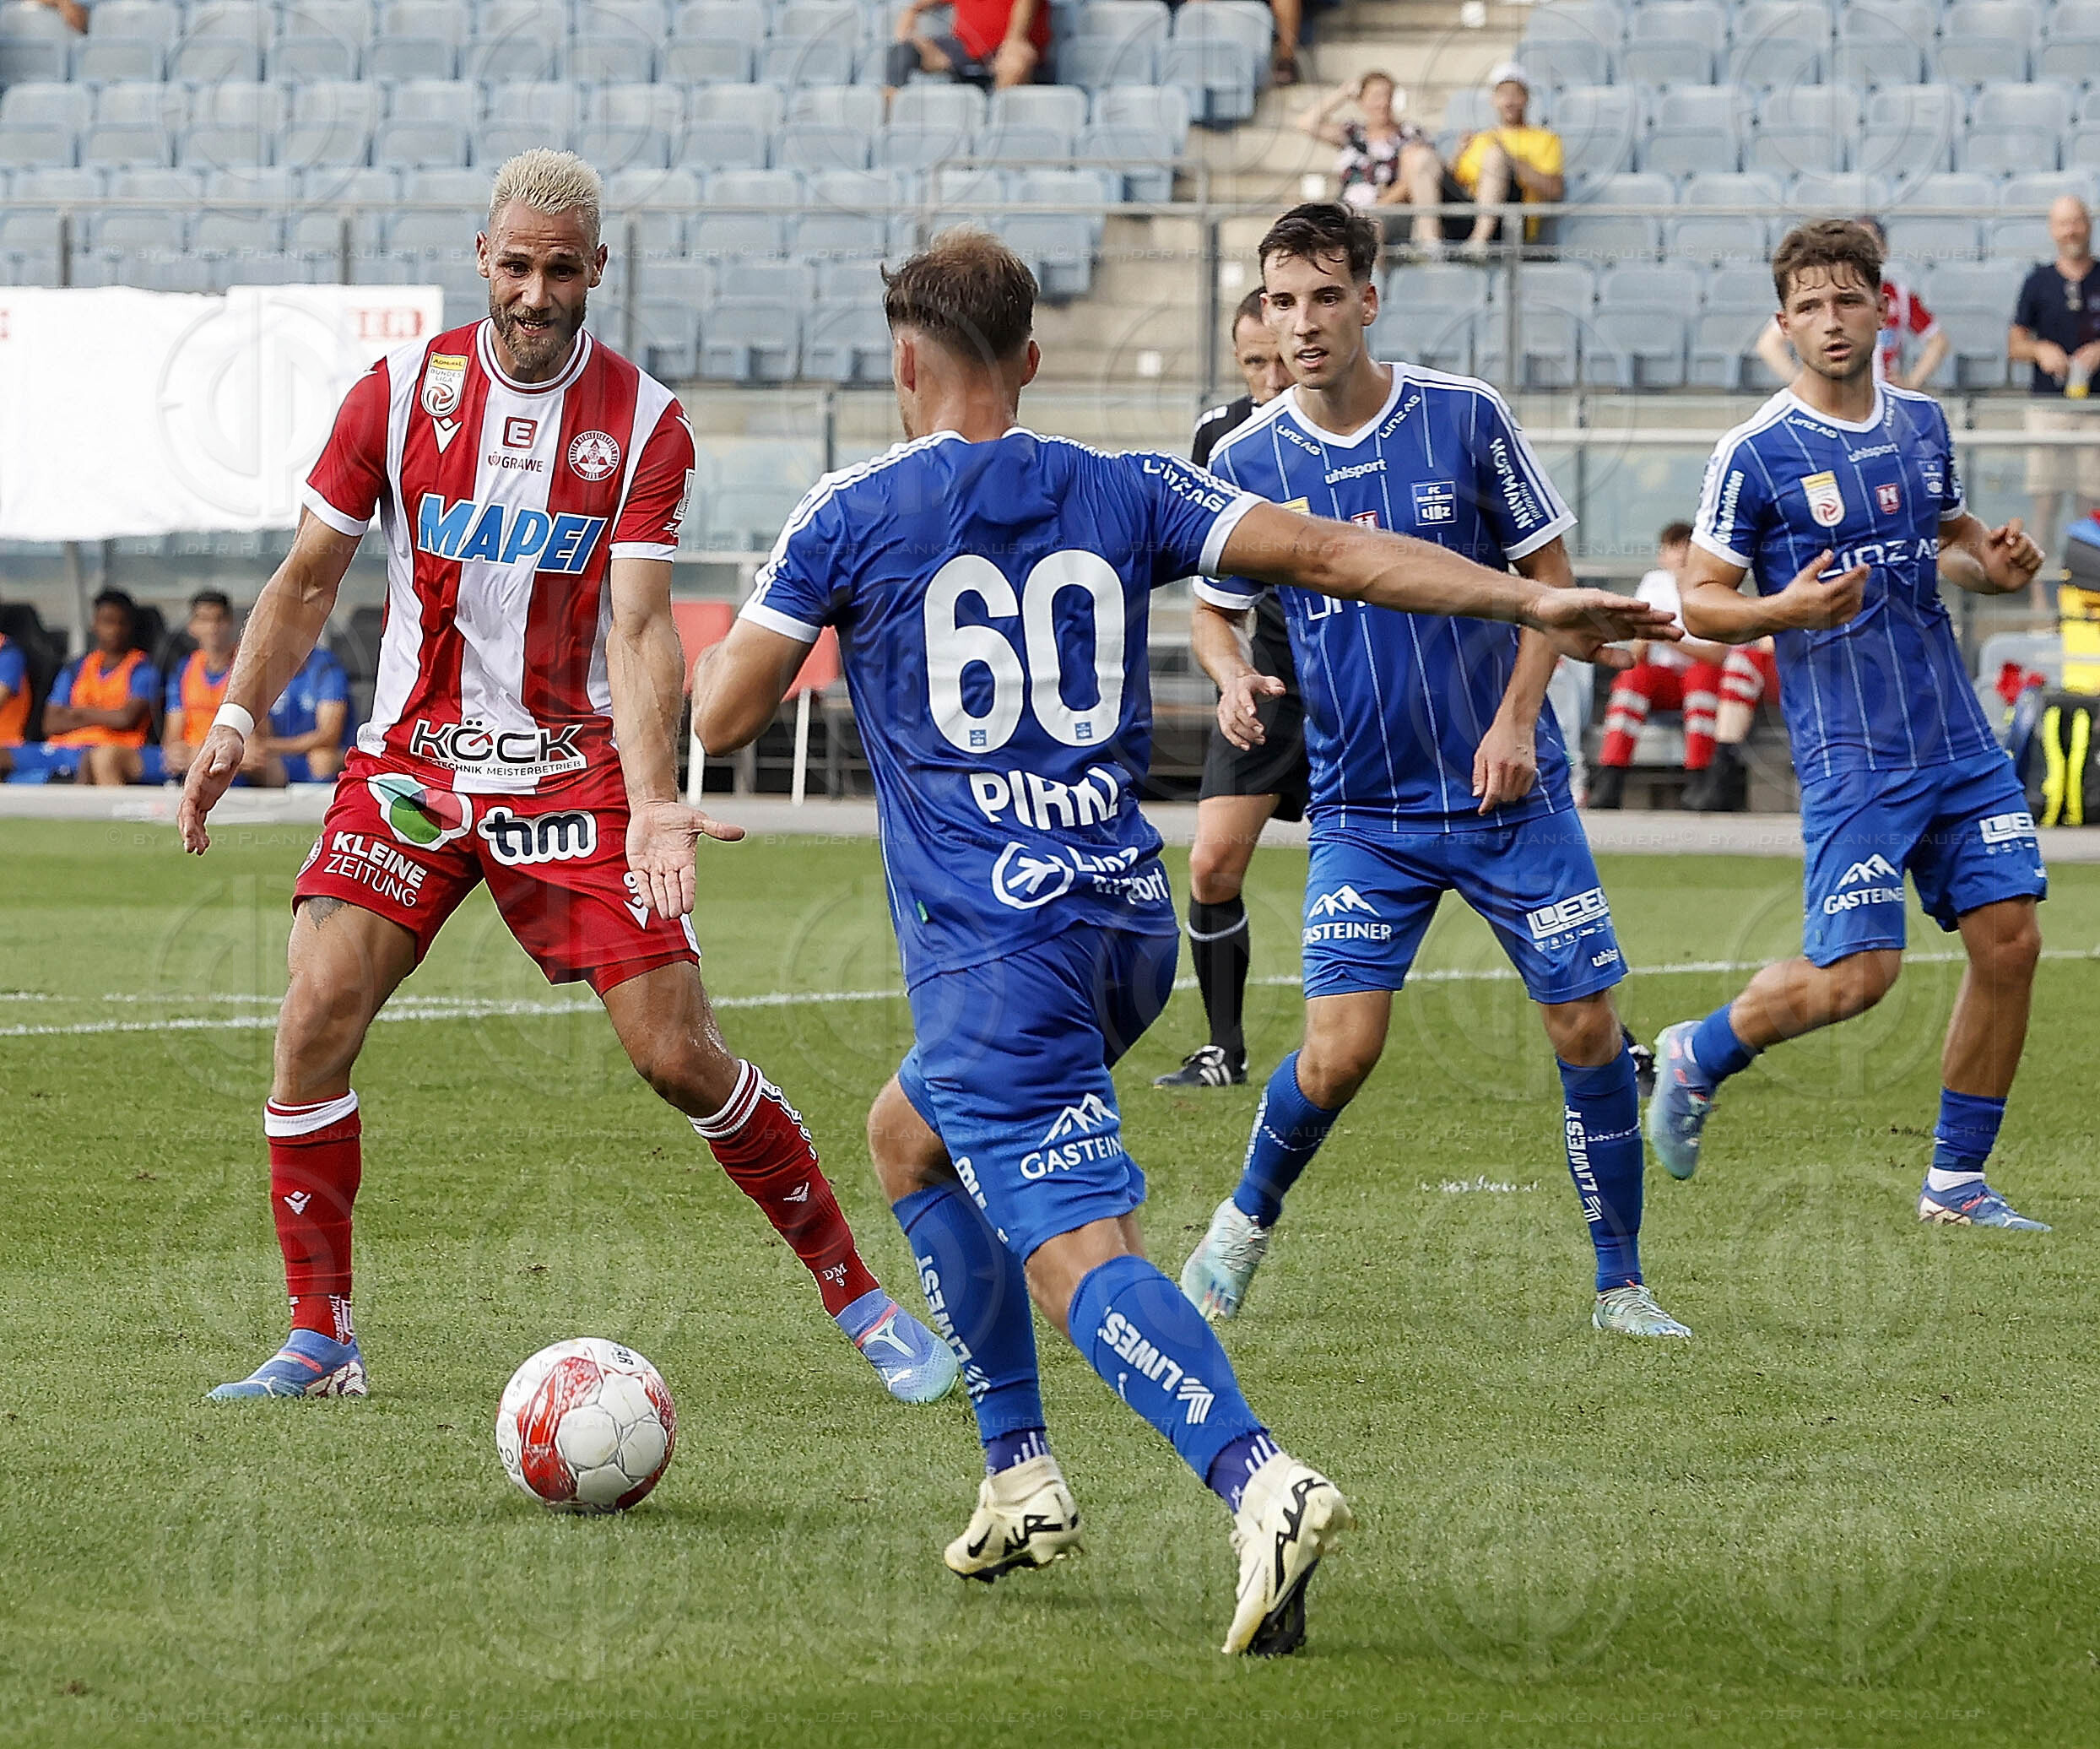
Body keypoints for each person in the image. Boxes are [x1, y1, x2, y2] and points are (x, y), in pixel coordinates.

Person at [688, 230, 1672, 1656]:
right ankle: (1020, 1472)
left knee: (1073, 1249)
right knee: (904, 1134)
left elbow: (720, 716)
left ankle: (1256, 1478)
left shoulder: (854, 508)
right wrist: (1526, 598)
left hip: (995, 942)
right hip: (1127, 926)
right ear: (1027, 361)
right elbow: (1331, 553)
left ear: (905, 362)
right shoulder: (1127, 484)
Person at [174, 149, 957, 1406]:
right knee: (315, 1011)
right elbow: (307, 577)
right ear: (483, 259)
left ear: (599, 269)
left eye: (562, 270)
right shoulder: (394, 395)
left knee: (678, 1053)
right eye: (517, 267)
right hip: (412, 768)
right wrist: (232, 716)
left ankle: (860, 1300)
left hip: (570, 778)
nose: (536, 293)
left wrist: (652, 801)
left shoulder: (644, 424)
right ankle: (321, 1339)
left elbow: (641, 628)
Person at [1177, 202, 1690, 1343]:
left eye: (1322, 296)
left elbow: (1550, 589)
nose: (1301, 322)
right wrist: (1226, 676)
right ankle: (1237, 1233)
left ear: (1369, 296)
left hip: (1509, 794)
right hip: (1363, 806)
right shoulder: (1251, 460)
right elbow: (1214, 611)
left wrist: (1517, 721)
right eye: (1279, 300)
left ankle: (1622, 1286)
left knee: (1585, 1026)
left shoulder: (1463, 418)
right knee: (1339, 1050)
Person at [1649, 219, 2049, 1232]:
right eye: (1811, 305)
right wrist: (1782, 611)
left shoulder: (1921, 422)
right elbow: (1700, 601)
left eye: (1848, 299)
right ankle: (1700, 1050)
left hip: (1956, 737)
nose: (1831, 320)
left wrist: (1992, 565)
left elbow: (1950, 537)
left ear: (1882, 305)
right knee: (1856, 978)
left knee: (2010, 943)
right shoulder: (1754, 452)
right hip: (1852, 754)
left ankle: (1955, 1183)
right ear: (1784, 322)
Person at [1159, 289, 1300, 1090]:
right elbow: (1210, 587)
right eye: (1254, 363)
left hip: (1369, 686)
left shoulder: (1356, 431)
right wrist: (1231, 673)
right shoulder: (1222, 438)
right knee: (1211, 864)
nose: (1271, 379)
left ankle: (1603, 1034)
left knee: (1480, 856)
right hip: (1267, 678)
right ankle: (1224, 1048)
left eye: (1280, 360)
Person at [1586, 522, 1738, 811]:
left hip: (1701, 679)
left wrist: (1669, 640)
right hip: (1663, 682)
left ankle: (1700, 780)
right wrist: (1642, 637)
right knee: (1633, 679)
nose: (1680, 554)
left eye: (1687, 546)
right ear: (1662, 555)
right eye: (1673, 547)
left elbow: (1719, 655)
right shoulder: (1654, 582)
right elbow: (1638, 648)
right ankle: (1610, 779)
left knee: (1701, 677)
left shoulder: (1716, 584)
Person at [2010, 195, 2100, 584]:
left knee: (2092, 502)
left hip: (2095, 409)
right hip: (2047, 408)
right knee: (2045, 501)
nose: (2071, 231)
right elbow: (2014, 345)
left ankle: (2085, 591)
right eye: (2063, 223)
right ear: (2052, 230)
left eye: (2077, 221)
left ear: (2089, 224)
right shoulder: (2038, 281)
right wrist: (2039, 350)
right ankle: (2038, 597)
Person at [1755, 217, 1949, 393]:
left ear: (1884, 250)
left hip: (1883, 397)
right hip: (1830, 398)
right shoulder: (1822, 292)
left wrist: (1911, 382)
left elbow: (1938, 341)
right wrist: (1799, 381)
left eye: (1869, 244)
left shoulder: (1900, 296)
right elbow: (1768, 344)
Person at [1392, 62, 1562, 257]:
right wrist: (1456, 156)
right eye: (1503, 94)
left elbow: (1555, 190)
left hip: (1509, 221)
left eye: (1515, 94)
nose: (1509, 101)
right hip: (1467, 212)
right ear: (1494, 99)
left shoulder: (1546, 139)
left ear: (1526, 98)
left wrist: (1512, 161)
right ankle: (1431, 243)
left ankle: (1479, 243)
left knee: (1495, 157)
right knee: (1421, 156)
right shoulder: (1479, 139)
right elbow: (1454, 182)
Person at [43, 589, 160, 786]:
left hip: (119, 748)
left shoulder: (142, 669)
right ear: (95, 624)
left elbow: (125, 719)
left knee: (94, 759)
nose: (114, 630)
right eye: (107, 622)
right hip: (67, 748)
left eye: (121, 623)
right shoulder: (75, 668)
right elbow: (51, 723)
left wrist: (77, 714)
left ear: (131, 626)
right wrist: (106, 716)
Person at [164, 589, 266, 786]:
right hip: (192, 754)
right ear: (192, 627)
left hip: (234, 753)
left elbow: (256, 729)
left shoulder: (248, 666)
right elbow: (173, 734)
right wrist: (181, 752)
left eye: (219, 620)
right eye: (204, 620)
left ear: (231, 623)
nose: (213, 628)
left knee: (255, 758)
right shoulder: (183, 669)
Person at [1296, 73, 1422, 210]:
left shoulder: (1408, 134)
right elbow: (1306, 123)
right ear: (1362, 100)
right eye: (1376, 96)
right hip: (1348, 209)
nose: (1383, 103)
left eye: (1388, 95)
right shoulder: (1353, 133)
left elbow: (1409, 182)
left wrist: (1376, 208)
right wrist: (1343, 94)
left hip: (1387, 210)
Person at [885, 0, 1047, 93]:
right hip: (965, 48)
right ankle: (890, 117)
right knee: (904, 51)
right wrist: (913, 10)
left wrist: (1014, 39)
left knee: (1015, 63)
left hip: (1004, 48)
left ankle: (996, 127)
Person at [262, 642, 350, 784]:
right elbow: (258, 728)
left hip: (316, 753)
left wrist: (270, 746)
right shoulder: (265, 667)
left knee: (322, 760)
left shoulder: (326, 669)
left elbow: (328, 735)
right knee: (248, 758)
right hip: (280, 756)